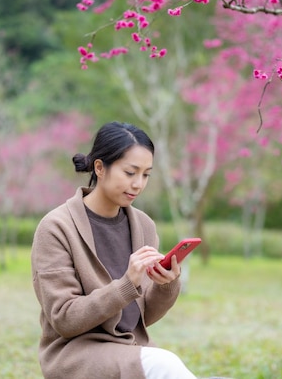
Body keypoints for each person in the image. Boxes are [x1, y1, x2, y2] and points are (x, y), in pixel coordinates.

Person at [31, 121, 197, 379]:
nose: (138, 184)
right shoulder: (56, 227)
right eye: (130, 173)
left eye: (146, 174)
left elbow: (142, 317)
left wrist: (166, 284)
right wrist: (126, 284)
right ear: (100, 167)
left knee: (166, 365)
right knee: (164, 365)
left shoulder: (143, 226)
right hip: (75, 353)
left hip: (129, 348)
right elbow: (64, 319)